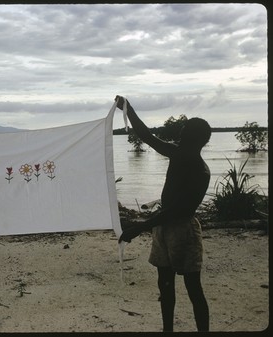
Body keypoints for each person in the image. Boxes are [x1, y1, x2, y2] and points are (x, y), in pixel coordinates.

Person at [116, 96, 211, 332]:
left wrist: (139, 228)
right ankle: (167, 330)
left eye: (185, 128)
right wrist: (129, 110)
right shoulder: (178, 154)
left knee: (193, 288)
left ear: (193, 137)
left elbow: (178, 211)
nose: (180, 129)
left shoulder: (198, 169)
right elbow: (146, 136)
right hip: (164, 229)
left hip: (183, 231)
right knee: (165, 285)